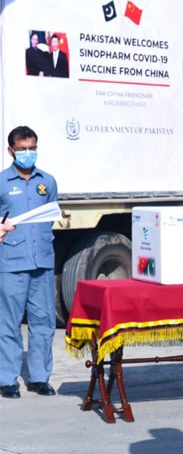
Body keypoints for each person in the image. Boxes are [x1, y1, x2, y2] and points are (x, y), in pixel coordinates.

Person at [0, 126, 58, 399]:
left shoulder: (47, 181)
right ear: (11, 151)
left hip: (42, 262)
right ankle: (7, 380)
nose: (27, 153)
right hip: (12, 263)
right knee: (8, 323)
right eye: (22, 149)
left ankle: (38, 378)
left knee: (43, 321)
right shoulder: (2, 182)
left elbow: (52, 214)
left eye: (31, 148)